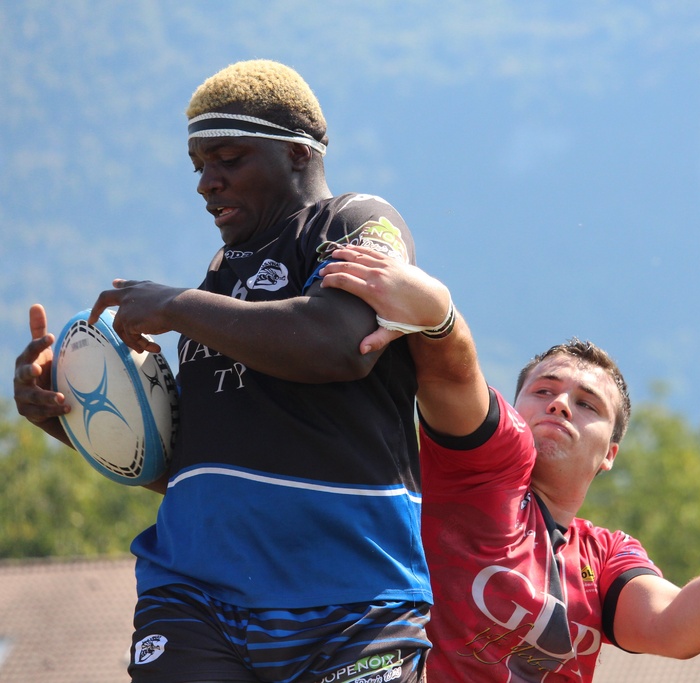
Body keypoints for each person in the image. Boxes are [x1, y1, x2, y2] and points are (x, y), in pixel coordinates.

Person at [12, 61, 431, 682]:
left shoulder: (355, 222)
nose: (207, 183)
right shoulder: (221, 280)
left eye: (228, 159)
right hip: (195, 598)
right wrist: (64, 413)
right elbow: (185, 467)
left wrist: (177, 305)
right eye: (198, 166)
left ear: (297, 152)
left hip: (353, 604)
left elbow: (340, 343)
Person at [318, 245, 700, 682]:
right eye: (544, 390)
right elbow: (452, 376)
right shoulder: (483, 467)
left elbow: (670, 628)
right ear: (514, 409)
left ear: (609, 454)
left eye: (587, 404)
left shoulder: (605, 555)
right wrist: (440, 318)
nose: (560, 404)